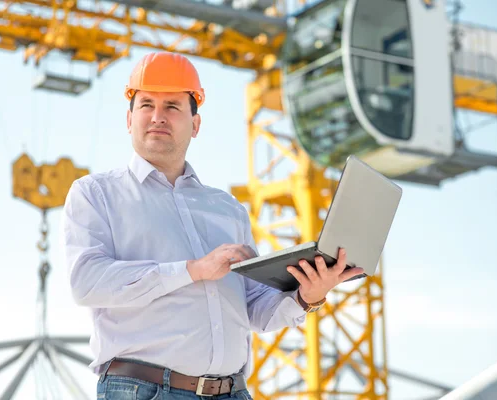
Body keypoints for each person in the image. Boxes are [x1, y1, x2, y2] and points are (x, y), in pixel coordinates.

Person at [60, 52, 364, 400]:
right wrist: (193, 270)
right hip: (144, 391)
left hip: (233, 391)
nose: (157, 117)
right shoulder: (96, 194)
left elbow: (253, 309)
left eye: (172, 106)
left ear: (196, 124)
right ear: (129, 120)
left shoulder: (227, 209)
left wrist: (306, 297)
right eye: (146, 104)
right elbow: (87, 283)